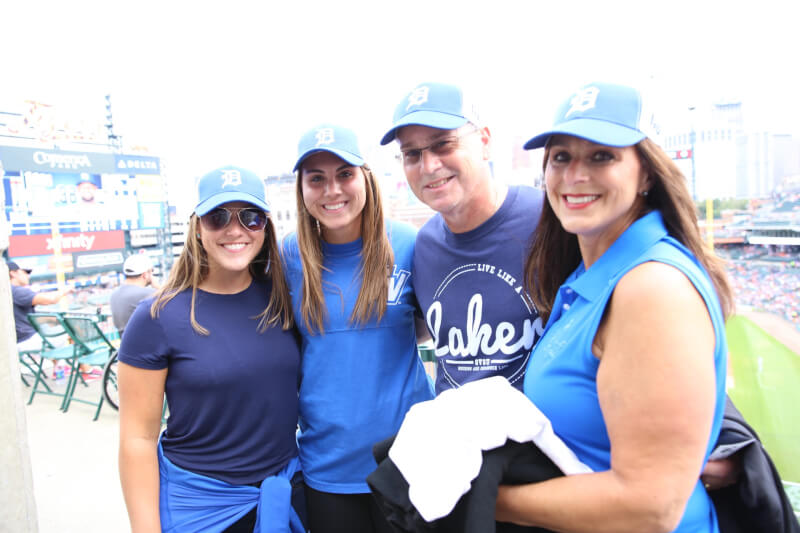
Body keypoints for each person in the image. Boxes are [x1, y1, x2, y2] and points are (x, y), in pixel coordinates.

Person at [494, 82, 732, 532]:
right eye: (561, 156)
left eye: (602, 156)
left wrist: (483, 499)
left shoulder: (652, 288)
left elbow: (650, 507)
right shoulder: (589, 274)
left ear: (646, 174)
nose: (575, 175)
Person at [117, 166, 306, 532]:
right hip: (200, 508)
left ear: (265, 227)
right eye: (218, 217)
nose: (235, 230)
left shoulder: (283, 299)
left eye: (250, 218)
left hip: (284, 495)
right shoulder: (156, 316)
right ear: (197, 227)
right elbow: (137, 439)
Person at [282, 124, 433, 533]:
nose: (332, 190)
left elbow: (424, 328)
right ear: (302, 189)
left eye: (344, 174)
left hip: (409, 460)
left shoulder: (410, 244)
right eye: (317, 179)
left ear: (365, 176)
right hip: (327, 466)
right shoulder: (286, 257)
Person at [380, 82, 546, 394]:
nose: (428, 166)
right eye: (411, 154)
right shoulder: (424, 246)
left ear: (484, 141)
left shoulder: (547, 221)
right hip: (456, 438)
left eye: (444, 144)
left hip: (543, 438)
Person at [9, 260, 75, 376]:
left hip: (16, 341)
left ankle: (59, 368)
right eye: (24, 272)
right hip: (25, 340)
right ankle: (86, 371)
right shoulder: (15, 291)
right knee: (74, 331)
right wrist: (65, 290)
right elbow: (51, 299)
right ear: (13, 273)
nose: (27, 276)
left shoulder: (7, 291)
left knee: (52, 332)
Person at [109, 254, 159, 335]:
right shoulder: (149, 293)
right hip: (148, 343)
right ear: (145, 275)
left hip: (126, 344)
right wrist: (158, 287)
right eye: (151, 271)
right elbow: (174, 303)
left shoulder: (114, 294)